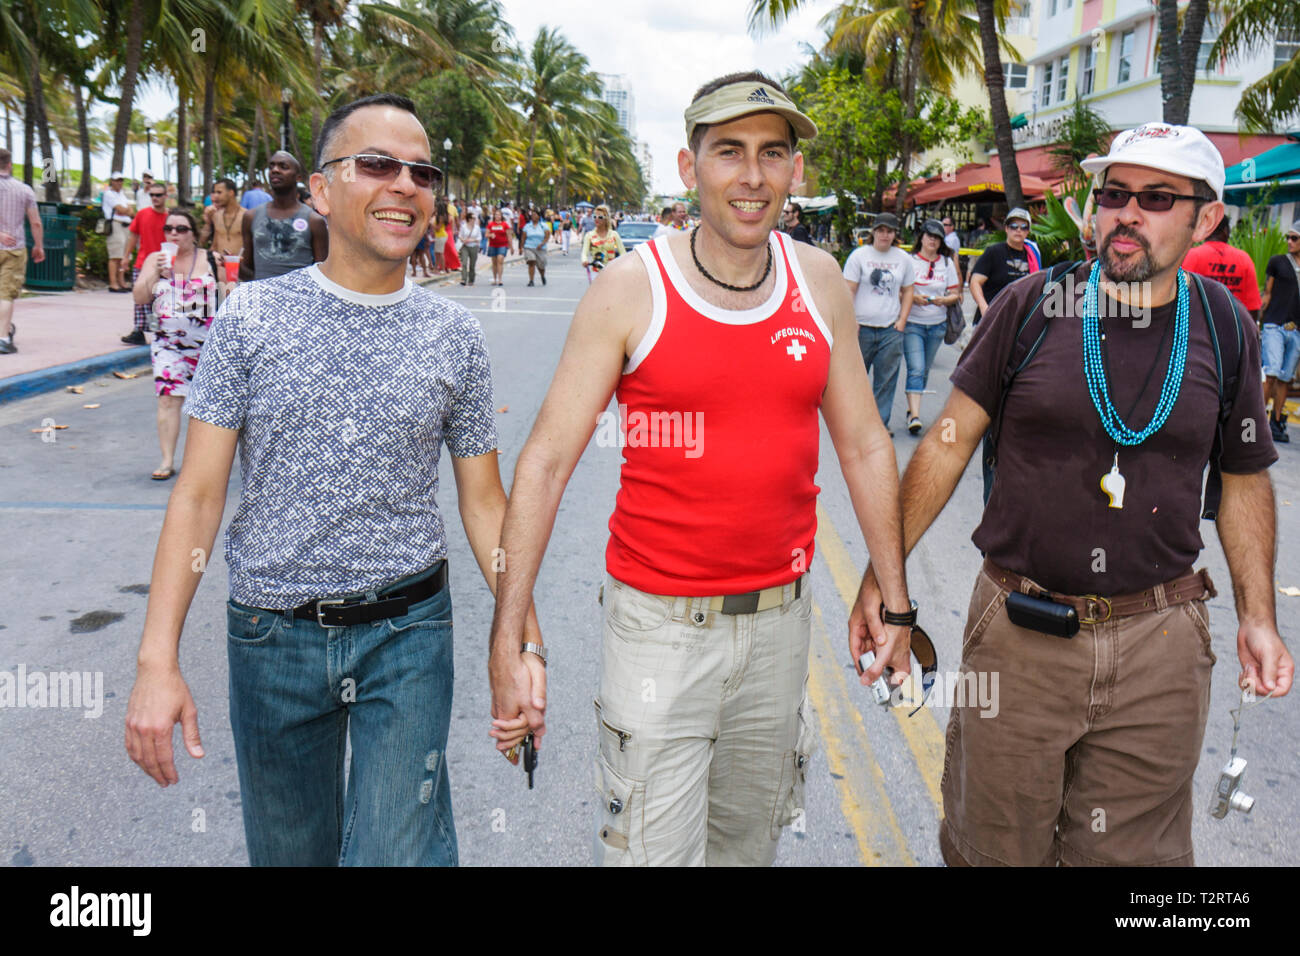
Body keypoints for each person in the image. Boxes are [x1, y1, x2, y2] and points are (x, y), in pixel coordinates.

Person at [486, 70, 913, 867]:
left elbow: (863, 444)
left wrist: (894, 600)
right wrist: (507, 637)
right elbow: (544, 463)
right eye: (729, 152)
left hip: (783, 627)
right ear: (690, 167)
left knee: (745, 854)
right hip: (657, 632)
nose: (752, 177)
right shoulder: (629, 289)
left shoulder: (819, 283)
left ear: (794, 170)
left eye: (773, 154)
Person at [857, 122, 1292, 867]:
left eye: (1155, 198)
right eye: (1113, 193)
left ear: (1205, 219)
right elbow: (947, 444)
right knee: (993, 849)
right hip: (1020, 636)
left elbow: (1246, 476)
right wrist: (882, 581)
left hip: (1161, 643)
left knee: (1135, 862)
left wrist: (1259, 617)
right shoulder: (1031, 307)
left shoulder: (1224, 326)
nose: (1126, 213)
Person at [124, 92, 541, 867]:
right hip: (271, 638)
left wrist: (524, 642)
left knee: (396, 853)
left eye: (422, 171)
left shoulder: (456, 335)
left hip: (407, 635)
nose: (405, 185)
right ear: (321, 190)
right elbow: (200, 495)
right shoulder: (250, 317)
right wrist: (157, 659)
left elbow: (485, 503)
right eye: (377, 164)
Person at [132, 207, 218, 480]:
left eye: (181, 229)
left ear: (193, 234)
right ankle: (167, 460)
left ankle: (202, 461)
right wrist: (153, 274)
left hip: (207, 345)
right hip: (167, 343)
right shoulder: (155, 260)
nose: (174, 234)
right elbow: (140, 297)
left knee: (205, 406)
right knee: (168, 399)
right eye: (168, 229)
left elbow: (229, 298)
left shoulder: (210, 259)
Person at [843, 211, 914, 433]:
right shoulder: (859, 256)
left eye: (889, 231)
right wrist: (849, 320)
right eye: (881, 230)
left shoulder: (903, 259)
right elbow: (848, 290)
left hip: (890, 328)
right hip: (861, 327)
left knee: (886, 380)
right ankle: (852, 425)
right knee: (855, 379)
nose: (884, 235)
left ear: (895, 235)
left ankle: (879, 425)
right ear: (873, 232)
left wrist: (902, 319)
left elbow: (909, 290)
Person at [903, 218, 960, 435]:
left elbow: (955, 293)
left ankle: (911, 409)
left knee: (924, 369)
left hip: (936, 324)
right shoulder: (909, 261)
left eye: (937, 238)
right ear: (922, 237)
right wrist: (913, 297)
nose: (932, 241)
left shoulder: (946, 263)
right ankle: (915, 416)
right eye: (929, 236)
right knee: (916, 368)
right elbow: (900, 290)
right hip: (913, 323)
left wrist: (944, 300)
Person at [238, 151, 327, 280]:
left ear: (298, 177)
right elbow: (249, 273)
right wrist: (234, 265)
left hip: (299, 298)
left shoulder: (314, 221)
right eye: (271, 166)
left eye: (283, 167)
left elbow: (323, 276)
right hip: (261, 297)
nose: (275, 170)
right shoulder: (250, 217)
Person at [1259, 222, 1300, 444]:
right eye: (1288, 237)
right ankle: (1258, 419)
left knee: (1285, 378)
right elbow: (1267, 292)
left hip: (1297, 329)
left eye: (1295, 238)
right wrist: (1257, 319)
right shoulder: (1277, 262)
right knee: (1272, 371)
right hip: (1275, 324)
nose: (1289, 242)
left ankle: (1276, 421)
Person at [0, 148, 43, 354]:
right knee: (6, 294)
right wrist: (38, 245)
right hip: (13, 248)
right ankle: (3, 338)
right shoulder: (24, 190)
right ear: (9, 165)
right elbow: (35, 222)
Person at [1182, 216, 1262, 321]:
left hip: (1199, 326)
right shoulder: (1244, 259)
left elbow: (1181, 297)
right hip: (1234, 326)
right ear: (1225, 231)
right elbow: (1253, 307)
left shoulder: (1192, 256)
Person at [969, 207, 1037, 324]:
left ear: (1028, 231)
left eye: (1023, 227)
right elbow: (975, 282)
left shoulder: (1033, 256)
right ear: (1006, 228)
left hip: (1018, 320)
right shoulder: (993, 252)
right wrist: (984, 307)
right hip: (991, 318)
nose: (1018, 230)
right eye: (1014, 226)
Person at [122, 181, 170, 346]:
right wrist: (126, 257)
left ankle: (158, 330)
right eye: (152, 195)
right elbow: (133, 236)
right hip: (142, 263)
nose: (155, 198)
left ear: (166, 196)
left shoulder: (170, 218)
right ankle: (139, 330)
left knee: (159, 299)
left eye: (158, 195)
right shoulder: (142, 214)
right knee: (141, 300)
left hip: (163, 264)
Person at [102, 172, 134, 293]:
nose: (119, 182)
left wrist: (126, 210)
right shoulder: (108, 194)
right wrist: (126, 210)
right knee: (115, 255)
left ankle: (122, 282)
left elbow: (130, 210)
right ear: (112, 181)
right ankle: (113, 283)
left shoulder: (122, 194)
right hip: (115, 224)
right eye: (117, 180)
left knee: (124, 255)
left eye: (121, 180)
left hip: (126, 225)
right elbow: (120, 209)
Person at [579, 204, 625, 283]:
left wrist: (622, 265)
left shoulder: (614, 234)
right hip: (596, 272)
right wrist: (584, 261)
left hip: (611, 271)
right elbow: (584, 252)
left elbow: (623, 253)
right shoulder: (589, 235)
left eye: (600, 217)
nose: (596, 219)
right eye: (594, 216)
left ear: (606, 219)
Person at [201, 178, 246, 258]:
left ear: (231, 193)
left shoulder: (246, 216)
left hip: (239, 266)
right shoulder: (216, 216)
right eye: (214, 192)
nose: (215, 196)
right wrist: (207, 223)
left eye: (219, 192)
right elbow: (212, 245)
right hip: (219, 266)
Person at [523, 208, 548, 286]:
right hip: (529, 247)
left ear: (539, 216)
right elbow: (523, 237)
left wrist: (542, 244)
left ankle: (542, 276)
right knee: (531, 261)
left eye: (535, 215)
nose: (533, 216)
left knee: (541, 265)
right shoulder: (527, 226)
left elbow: (547, 236)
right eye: (532, 215)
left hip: (540, 248)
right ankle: (531, 280)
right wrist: (521, 247)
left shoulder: (543, 225)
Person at [485, 206, 510, 285]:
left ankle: (500, 279)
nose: (497, 216)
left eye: (499, 215)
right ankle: (495, 279)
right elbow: (486, 234)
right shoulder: (490, 224)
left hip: (502, 245)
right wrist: (490, 235)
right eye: (496, 215)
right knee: (494, 262)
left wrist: (511, 247)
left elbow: (509, 235)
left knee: (500, 260)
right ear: (494, 216)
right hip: (493, 245)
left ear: (501, 216)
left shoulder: (505, 224)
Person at [458, 210, 480, 285]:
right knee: (464, 263)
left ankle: (471, 279)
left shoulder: (477, 227)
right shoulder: (464, 226)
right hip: (465, 247)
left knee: (472, 264)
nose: (475, 219)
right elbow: (460, 236)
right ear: (469, 219)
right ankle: (463, 279)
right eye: (473, 218)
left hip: (474, 246)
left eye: (475, 218)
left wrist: (471, 240)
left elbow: (479, 238)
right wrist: (463, 240)